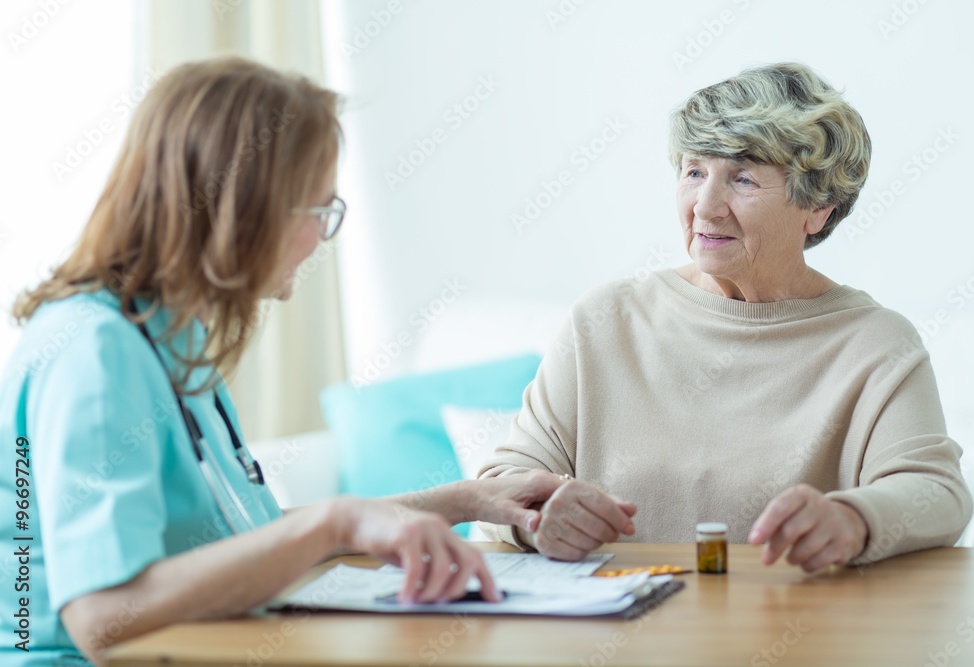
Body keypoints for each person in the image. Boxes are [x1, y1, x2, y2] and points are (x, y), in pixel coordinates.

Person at [0, 57, 564, 667]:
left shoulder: (170, 341)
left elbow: (253, 541)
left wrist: (468, 500)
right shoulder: (95, 351)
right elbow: (102, 618)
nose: (322, 238)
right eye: (317, 212)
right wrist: (333, 522)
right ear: (243, 208)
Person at [479, 62, 973, 573]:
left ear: (819, 207)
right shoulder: (605, 320)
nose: (706, 207)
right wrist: (537, 516)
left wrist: (854, 519)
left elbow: (936, 494)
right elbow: (505, 481)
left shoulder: (875, 343)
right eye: (694, 172)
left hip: (790, 636)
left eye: (742, 178)